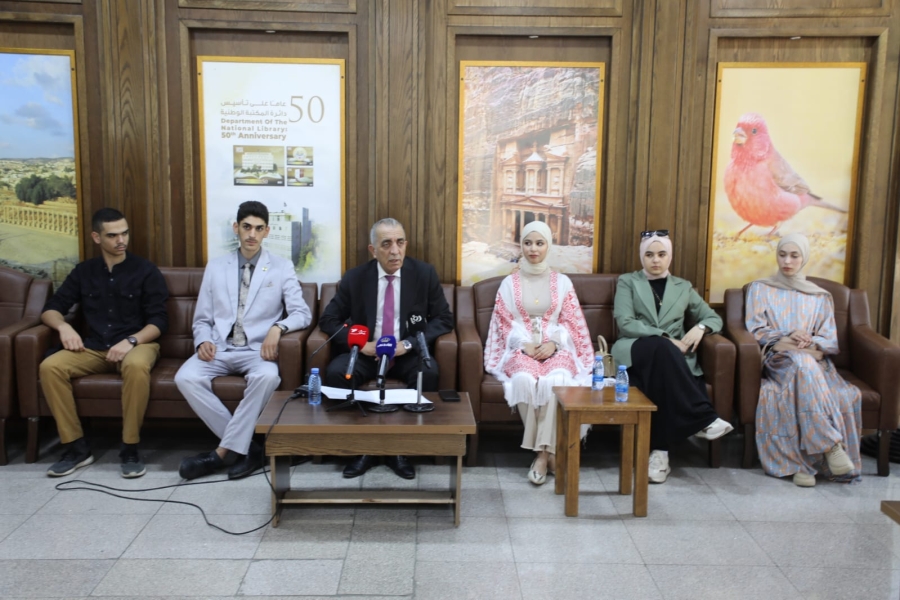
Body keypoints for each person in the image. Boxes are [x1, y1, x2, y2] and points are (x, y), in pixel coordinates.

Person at [175, 201, 312, 480]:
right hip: (220, 349)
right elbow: (201, 319)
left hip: (257, 351)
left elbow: (302, 313)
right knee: (185, 377)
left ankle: (221, 453)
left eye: (259, 229)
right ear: (236, 228)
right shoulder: (216, 267)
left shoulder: (281, 267)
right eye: (247, 227)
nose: (252, 234)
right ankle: (249, 448)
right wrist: (202, 340)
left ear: (267, 231)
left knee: (268, 378)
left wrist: (278, 327)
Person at [319, 217, 454, 480]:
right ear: (373, 250)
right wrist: (362, 345)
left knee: (427, 373)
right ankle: (360, 449)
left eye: (400, 242)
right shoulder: (356, 277)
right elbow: (329, 320)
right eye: (386, 244)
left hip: (405, 352)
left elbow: (443, 319)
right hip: (368, 351)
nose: (395, 251)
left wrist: (409, 344)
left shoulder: (423, 274)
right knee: (337, 373)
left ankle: (401, 450)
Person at [40, 207, 168, 478]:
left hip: (138, 345)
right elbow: (51, 309)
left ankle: (130, 447)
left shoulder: (146, 270)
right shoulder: (84, 271)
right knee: (50, 367)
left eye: (125, 233)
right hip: (94, 347)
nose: (121, 240)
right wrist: (64, 327)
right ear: (96, 237)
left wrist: (131, 340)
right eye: (113, 235)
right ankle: (76, 447)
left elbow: (159, 321)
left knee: (135, 366)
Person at [612, 230, 733, 484]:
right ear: (642, 257)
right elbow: (625, 323)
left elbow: (713, 317)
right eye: (649, 254)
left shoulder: (683, 287)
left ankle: (660, 454)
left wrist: (700, 328)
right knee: (661, 347)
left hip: (669, 360)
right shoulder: (628, 281)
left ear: (670, 256)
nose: (655, 260)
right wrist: (665, 337)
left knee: (661, 372)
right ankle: (704, 419)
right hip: (635, 348)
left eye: (661, 254)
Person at [744, 233, 860, 487]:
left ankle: (803, 464)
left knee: (805, 373)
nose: (787, 261)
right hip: (779, 360)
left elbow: (830, 339)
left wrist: (809, 339)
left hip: (813, 361)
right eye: (782, 254)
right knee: (802, 364)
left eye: (794, 255)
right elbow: (756, 330)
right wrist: (788, 333)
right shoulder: (760, 288)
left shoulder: (820, 296)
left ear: (804, 257)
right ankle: (830, 446)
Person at [484, 221, 594, 485]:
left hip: (556, 347)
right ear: (521, 246)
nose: (533, 249)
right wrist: (523, 344)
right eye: (528, 243)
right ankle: (546, 453)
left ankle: (542, 455)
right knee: (523, 380)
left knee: (557, 381)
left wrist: (554, 343)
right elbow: (503, 322)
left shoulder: (563, 282)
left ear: (548, 246)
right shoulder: (509, 283)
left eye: (539, 243)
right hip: (521, 347)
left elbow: (570, 321)